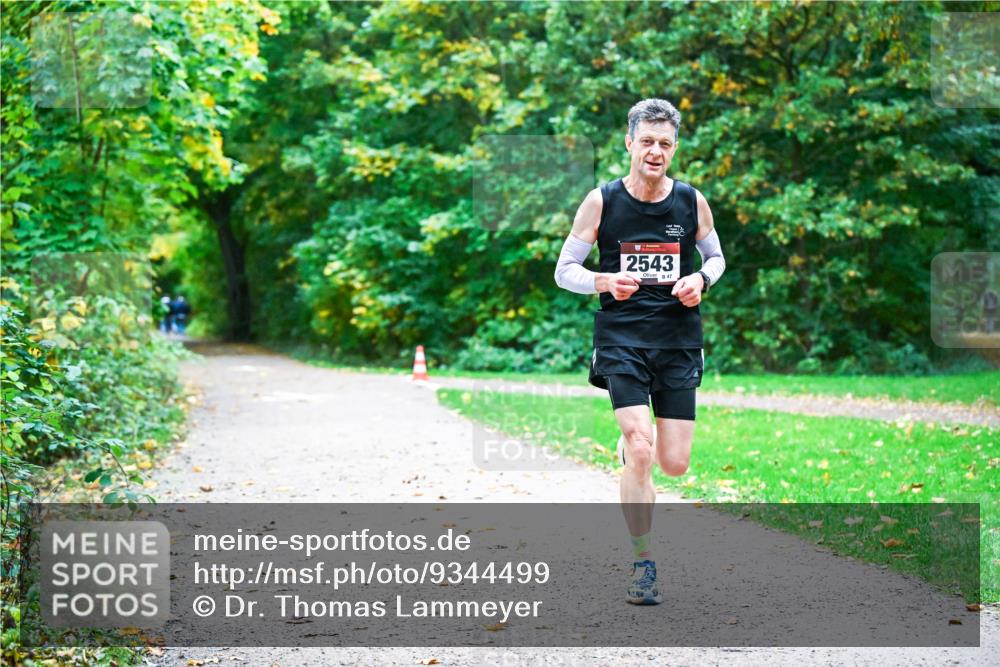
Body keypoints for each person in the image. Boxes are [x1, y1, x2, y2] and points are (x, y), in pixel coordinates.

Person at [554, 98, 726, 605]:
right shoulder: (602, 201)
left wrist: (700, 279)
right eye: (647, 141)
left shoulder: (691, 201)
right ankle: (643, 561)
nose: (655, 151)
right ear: (629, 143)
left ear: (674, 149)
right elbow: (565, 270)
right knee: (644, 445)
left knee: (673, 464)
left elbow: (715, 258)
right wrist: (604, 280)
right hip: (622, 338)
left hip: (677, 341)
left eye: (665, 144)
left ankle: (634, 450)